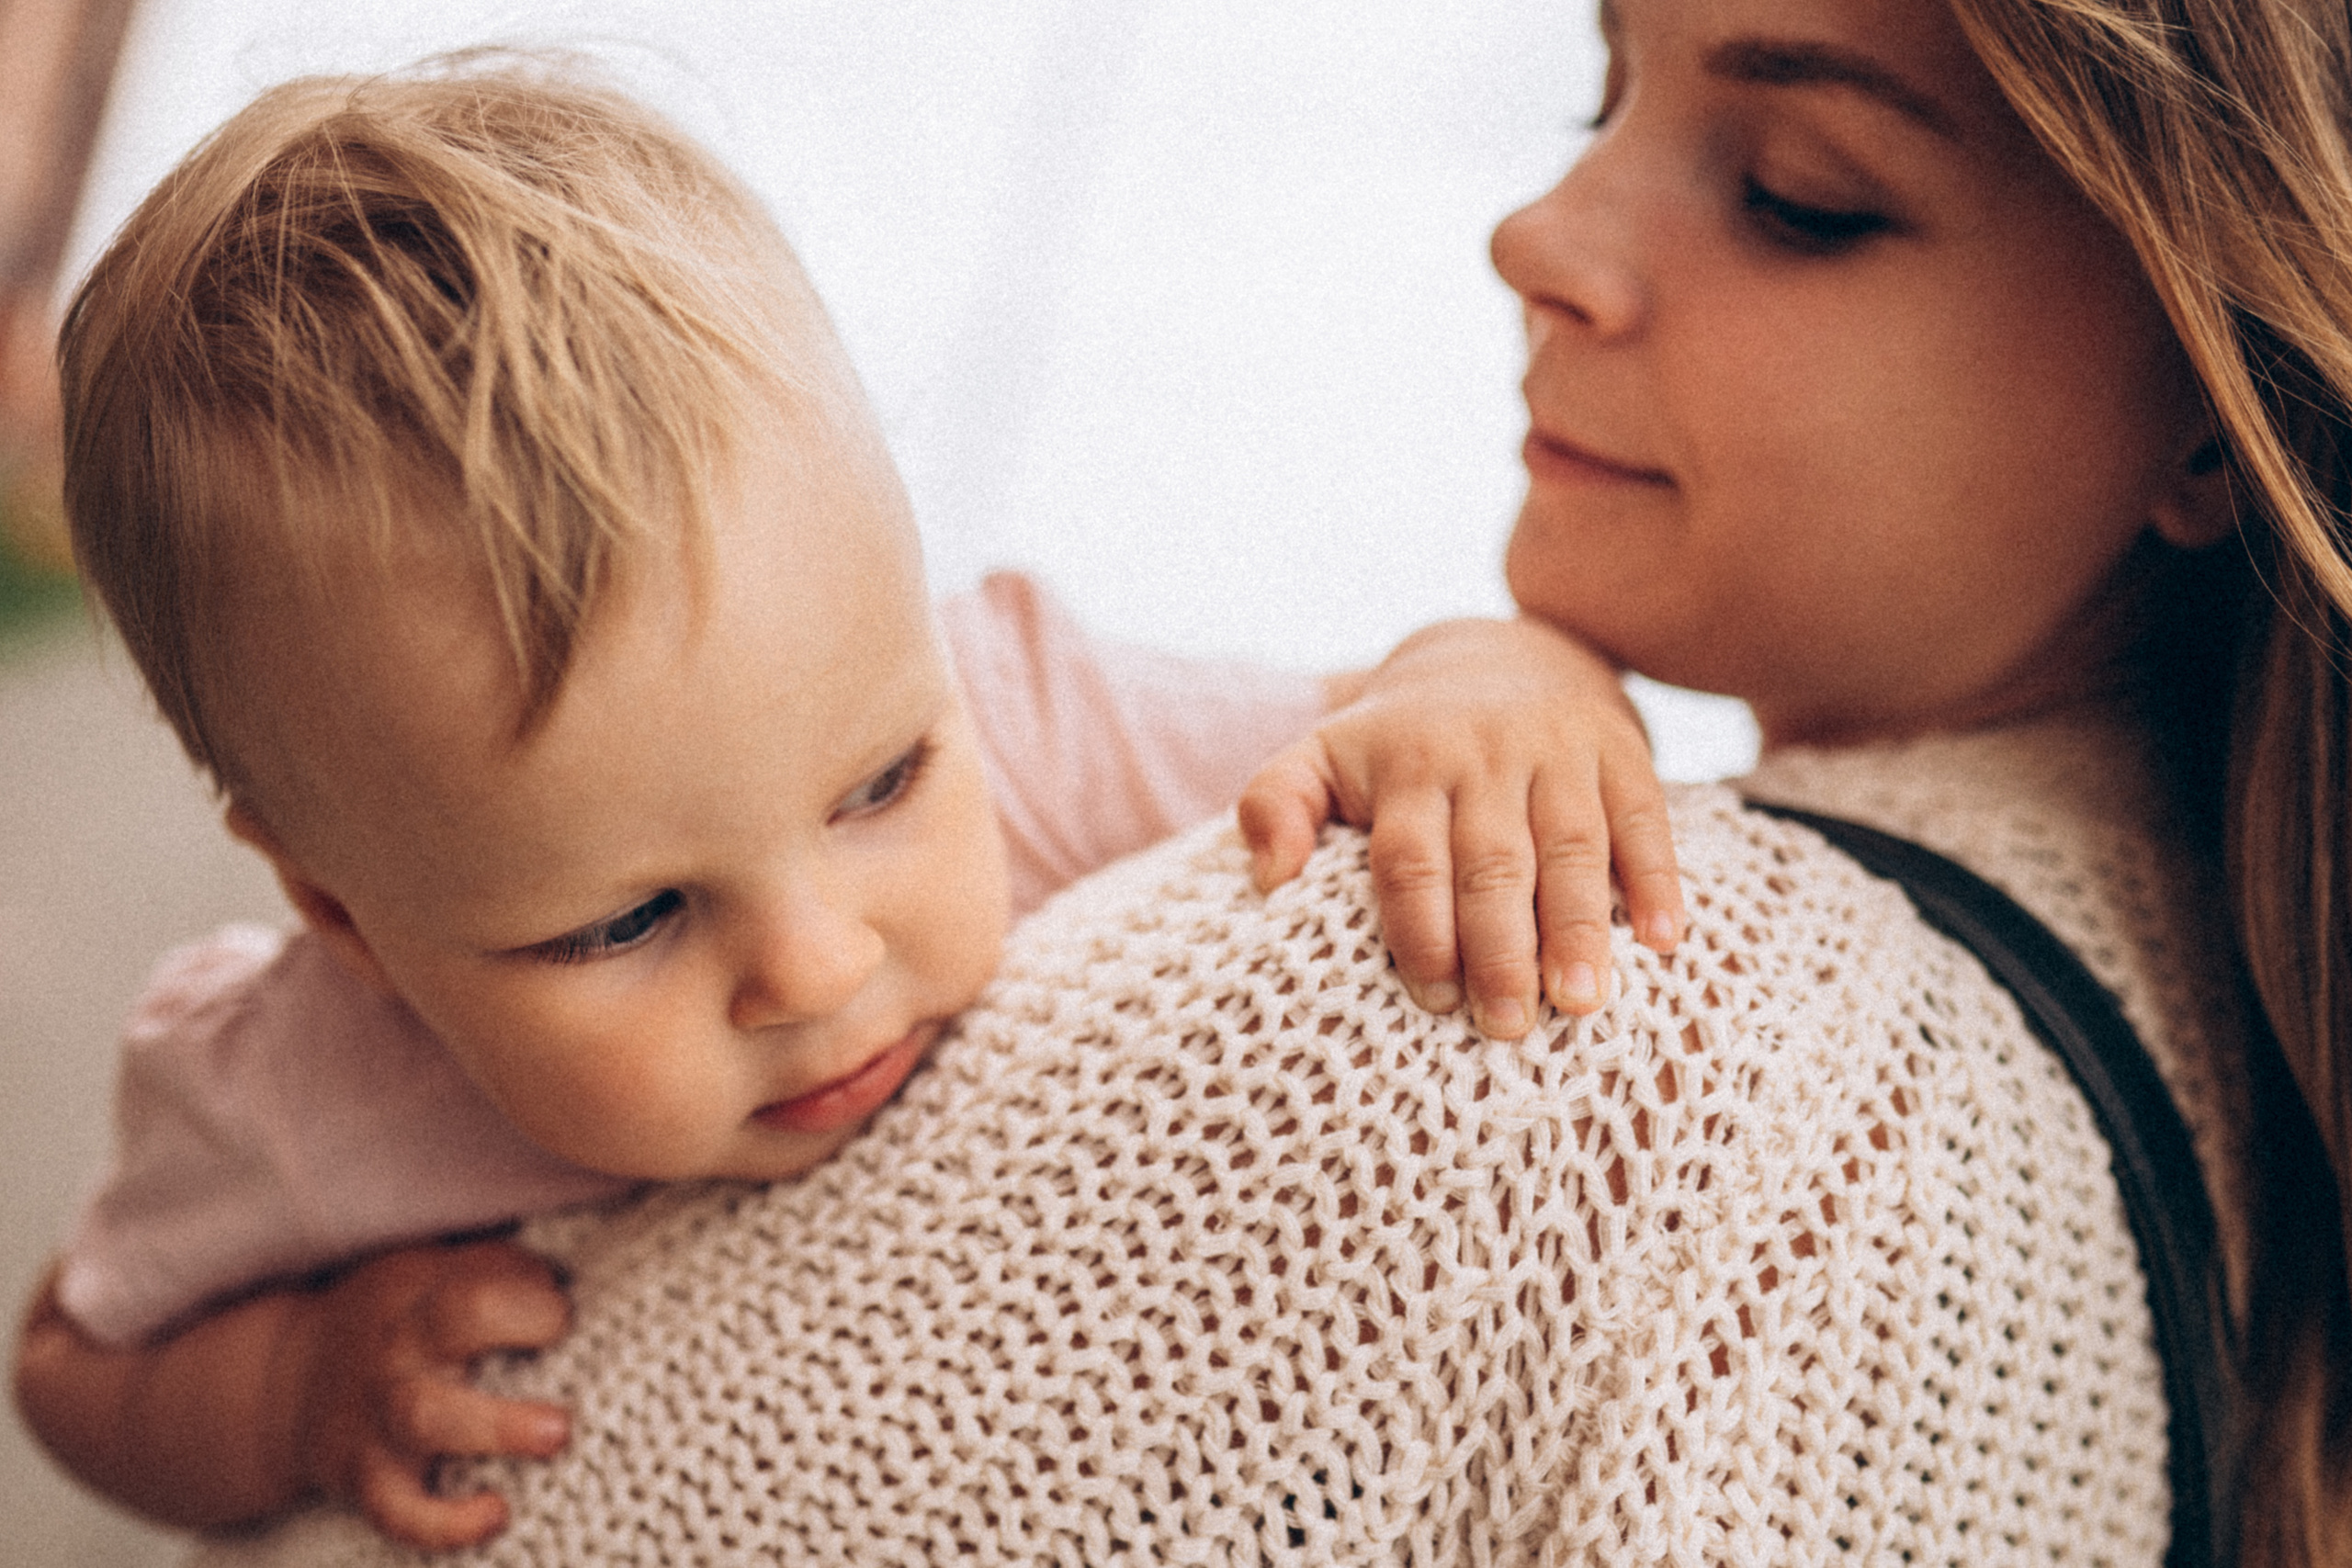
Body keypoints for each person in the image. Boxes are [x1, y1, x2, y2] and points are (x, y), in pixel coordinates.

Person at [164, 0, 2352, 1561]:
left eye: (1794, 195)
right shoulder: (2182, 1119)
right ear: (341, 905)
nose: (1542, 232)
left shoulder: (1549, 994)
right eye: (1599, 85)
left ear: (2209, 397)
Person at [6, 59, 1697, 1552]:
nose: (816, 967)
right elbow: (77, 1364)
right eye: (626, 920)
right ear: (342, 918)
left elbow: (1393, 712)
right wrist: (298, 1384)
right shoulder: (281, 1086)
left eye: (882, 781)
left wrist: (1506, 688)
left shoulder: (1026, 711)